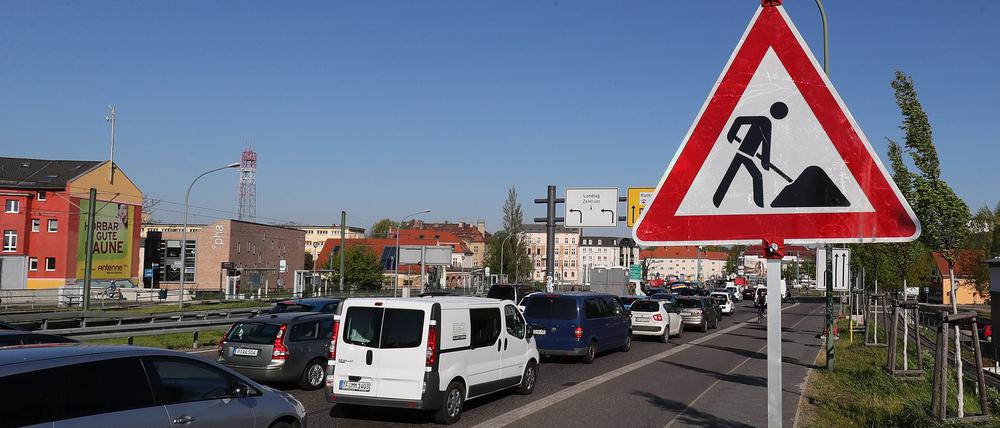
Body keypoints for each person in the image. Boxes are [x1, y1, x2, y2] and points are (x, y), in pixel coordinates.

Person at [713, 102, 788, 208]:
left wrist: (764, 161)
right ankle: (759, 206)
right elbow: (740, 120)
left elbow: (765, 144)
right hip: (743, 153)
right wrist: (731, 134)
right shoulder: (764, 121)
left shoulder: (766, 122)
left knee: (734, 175)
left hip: (746, 155)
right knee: (748, 175)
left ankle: (717, 200)